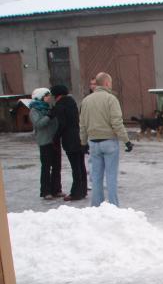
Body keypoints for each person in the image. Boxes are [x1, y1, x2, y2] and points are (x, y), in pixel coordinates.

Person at [79, 72, 133, 207]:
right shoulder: (111, 99)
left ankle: (96, 206)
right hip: (109, 142)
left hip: (93, 143)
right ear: (107, 83)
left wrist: (83, 142)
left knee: (96, 177)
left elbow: (83, 124)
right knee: (111, 176)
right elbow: (117, 123)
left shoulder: (86, 101)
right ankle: (114, 205)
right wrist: (126, 140)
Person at [50, 85, 87, 201]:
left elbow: (62, 124)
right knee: (81, 165)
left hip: (70, 139)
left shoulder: (60, 105)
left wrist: (55, 137)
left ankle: (76, 193)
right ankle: (83, 190)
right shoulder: (72, 102)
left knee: (75, 167)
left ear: (57, 95)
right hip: (79, 136)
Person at [29, 88, 63, 200]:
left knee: (57, 166)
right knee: (46, 167)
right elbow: (38, 124)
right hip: (45, 141)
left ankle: (56, 189)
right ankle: (46, 191)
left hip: (55, 140)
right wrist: (49, 116)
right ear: (41, 97)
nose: (50, 97)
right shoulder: (35, 110)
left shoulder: (50, 107)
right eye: (47, 95)